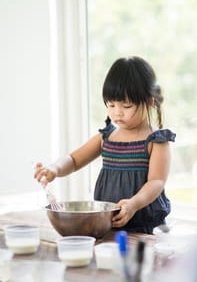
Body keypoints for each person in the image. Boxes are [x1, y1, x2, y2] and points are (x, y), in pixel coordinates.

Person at [34, 56, 176, 234]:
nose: (117, 112)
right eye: (111, 104)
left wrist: (133, 204)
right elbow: (74, 160)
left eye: (126, 105)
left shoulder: (156, 140)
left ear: (148, 101)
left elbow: (157, 181)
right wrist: (54, 169)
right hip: (106, 222)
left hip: (143, 223)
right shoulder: (107, 136)